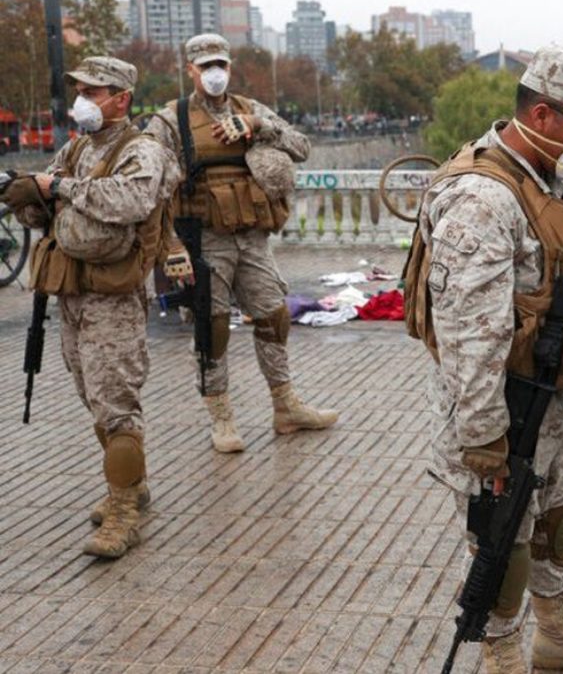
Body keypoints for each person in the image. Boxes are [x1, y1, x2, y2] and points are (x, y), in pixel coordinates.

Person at [406, 45, 563, 673]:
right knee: (502, 542)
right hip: (499, 401)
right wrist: (483, 435)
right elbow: (469, 336)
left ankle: (557, 634)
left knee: (555, 523)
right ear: (542, 115)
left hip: (552, 391)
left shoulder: (559, 181)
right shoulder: (481, 199)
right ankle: (503, 653)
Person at [5, 56, 189, 558]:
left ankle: (126, 512)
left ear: (120, 98)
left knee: (116, 403)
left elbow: (128, 202)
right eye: (80, 90)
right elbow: (48, 196)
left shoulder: (142, 150)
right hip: (72, 294)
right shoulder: (78, 147)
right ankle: (129, 485)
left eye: (93, 91)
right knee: (94, 398)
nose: (84, 99)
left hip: (115, 299)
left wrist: (57, 188)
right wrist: (28, 194)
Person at [145, 33, 338, 452]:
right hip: (204, 238)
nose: (215, 74)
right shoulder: (170, 121)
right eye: (206, 66)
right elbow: (153, 188)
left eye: (221, 65)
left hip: (251, 237)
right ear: (190, 70)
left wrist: (258, 127)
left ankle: (285, 406)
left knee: (273, 315)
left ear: (229, 67)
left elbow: (302, 146)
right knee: (212, 327)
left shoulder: (251, 109)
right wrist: (170, 246)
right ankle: (221, 416)